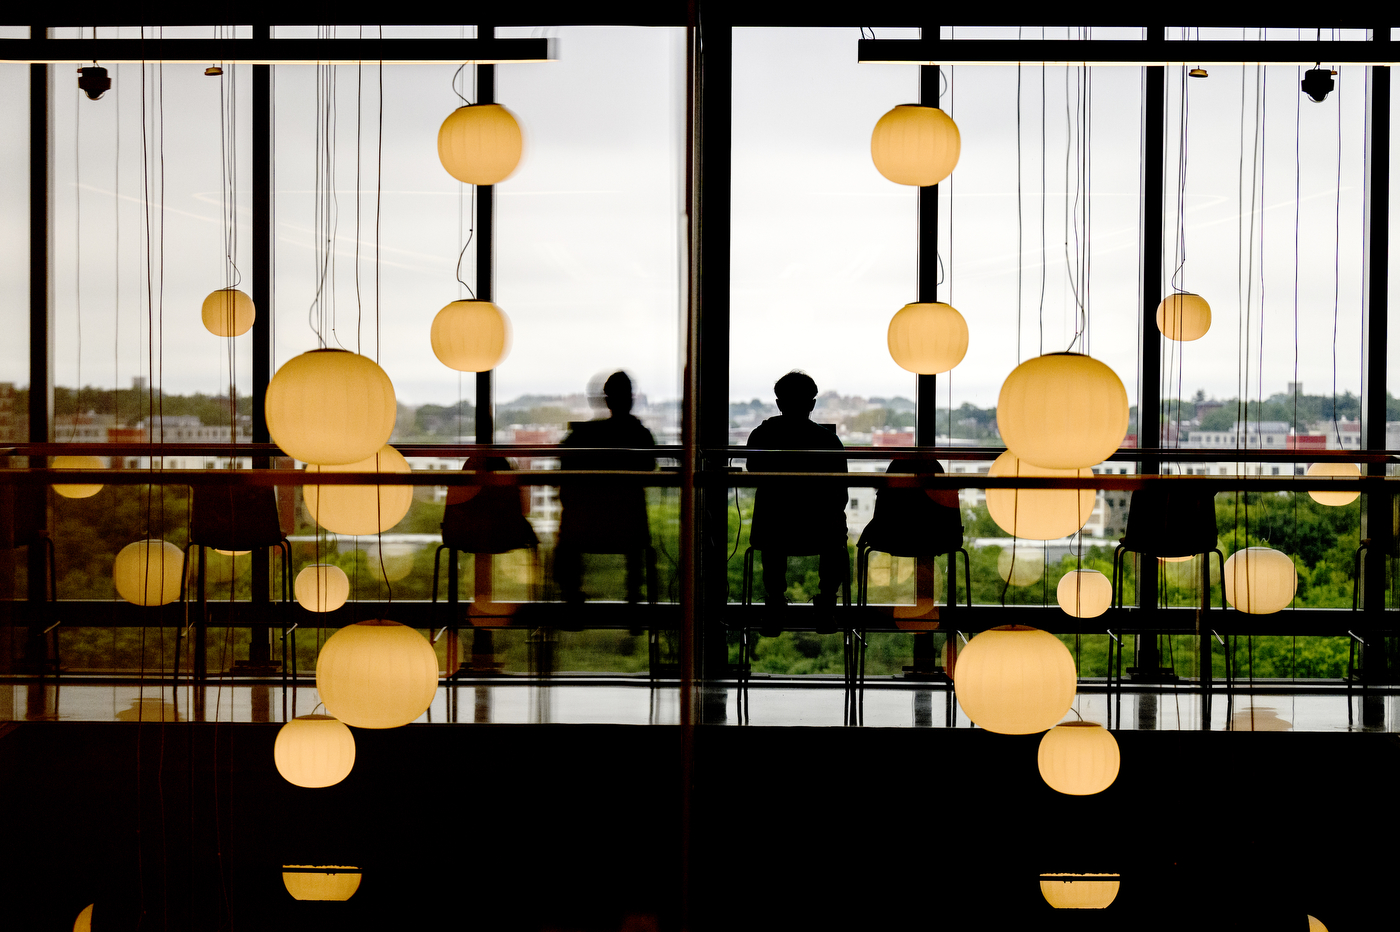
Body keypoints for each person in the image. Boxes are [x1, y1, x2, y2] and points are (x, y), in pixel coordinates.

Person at [746, 370, 848, 635]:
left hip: (775, 531)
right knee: (836, 534)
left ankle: (774, 605)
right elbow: (841, 494)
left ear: (779, 403)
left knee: (771, 522)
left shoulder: (763, 435)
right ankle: (826, 606)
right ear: (812, 404)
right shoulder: (828, 440)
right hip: (820, 532)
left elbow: (753, 470)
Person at [554, 371, 657, 607]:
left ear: (606, 400)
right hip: (628, 528)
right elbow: (648, 468)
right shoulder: (640, 436)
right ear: (631, 398)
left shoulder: (580, 436)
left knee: (566, 537)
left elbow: (565, 471)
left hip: (583, 528)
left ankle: (571, 600)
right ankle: (634, 602)